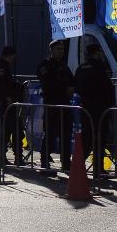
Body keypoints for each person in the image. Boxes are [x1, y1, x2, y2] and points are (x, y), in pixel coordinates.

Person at [74, 43, 114, 178]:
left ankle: (77, 166)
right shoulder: (99, 68)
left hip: (85, 107)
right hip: (99, 107)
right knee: (100, 138)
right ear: (96, 53)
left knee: (87, 138)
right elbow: (107, 88)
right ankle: (98, 169)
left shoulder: (80, 68)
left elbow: (76, 87)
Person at [36, 40, 75, 171]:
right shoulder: (45, 65)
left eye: (62, 49)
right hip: (52, 104)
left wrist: (71, 89)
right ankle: (44, 162)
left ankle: (66, 164)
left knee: (66, 135)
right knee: (51, 135)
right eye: (58, 49)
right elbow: (48, 83)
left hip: (65, 104)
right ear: (51, 50)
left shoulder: (64, 66)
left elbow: (71, 80)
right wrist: (65, 89)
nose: (61, 51)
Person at [0, 46, 24, 166]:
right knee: (5, 131)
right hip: (4, 104)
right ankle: (1, 156)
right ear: (9, 55)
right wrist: (7, 97)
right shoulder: (1, 68)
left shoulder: (5, 67)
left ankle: (18, 156)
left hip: (10, 104)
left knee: (17, 130)